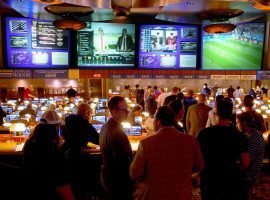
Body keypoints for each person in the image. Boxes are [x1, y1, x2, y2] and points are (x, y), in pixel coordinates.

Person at [130, 106, 204, 200]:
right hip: (182, 194)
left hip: (155, 194)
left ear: (158, 121)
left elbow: (135, 172)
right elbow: (200, 166)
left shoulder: (146, 143)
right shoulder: (191, 141)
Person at [197, 99, 249, 200]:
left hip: (209, 177)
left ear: (216, 112)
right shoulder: (239, 136)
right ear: (231, 113)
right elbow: (246, 163)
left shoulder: (203, 134)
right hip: (230, 177)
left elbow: (198, 160)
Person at [23, 110, 75, 200]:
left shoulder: (29, 143)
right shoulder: (52, 150)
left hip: (32, 190)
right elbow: (61, 183)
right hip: (50, 193)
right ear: (56, 128)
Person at [99, 96, 133, 200]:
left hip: (109, 178)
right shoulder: (117, 132)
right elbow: (123, 162)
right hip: (118, 182)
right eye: (124, 110)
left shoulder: (105, 126)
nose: (127, 112)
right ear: (114, 112)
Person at [64, 103, 99, 199]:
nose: (90, 117)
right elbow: (97, 139)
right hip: (81, 158)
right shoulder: (85, 124)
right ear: (87, 113)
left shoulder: (68, 120)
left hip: (68, 157)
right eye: (90, 114)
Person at [237, 112, 264, 200]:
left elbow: (246, 163)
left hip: (250, 173)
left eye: (238, 122)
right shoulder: (256, 133)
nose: (237, 125)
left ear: (244, 123)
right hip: (255, 169)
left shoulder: (252, 138)